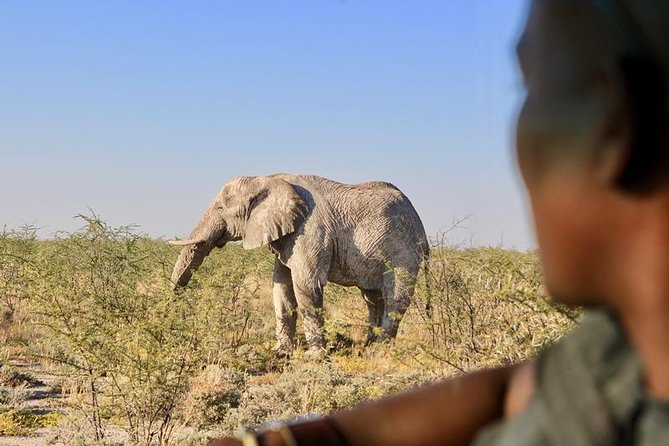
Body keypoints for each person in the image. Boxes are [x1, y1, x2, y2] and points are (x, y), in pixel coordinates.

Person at [210, 0, 669, 444]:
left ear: (613, 121)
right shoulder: (620, 356)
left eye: (529, 85)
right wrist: (321, 435)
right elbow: (514, 389)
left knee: (382, 318)